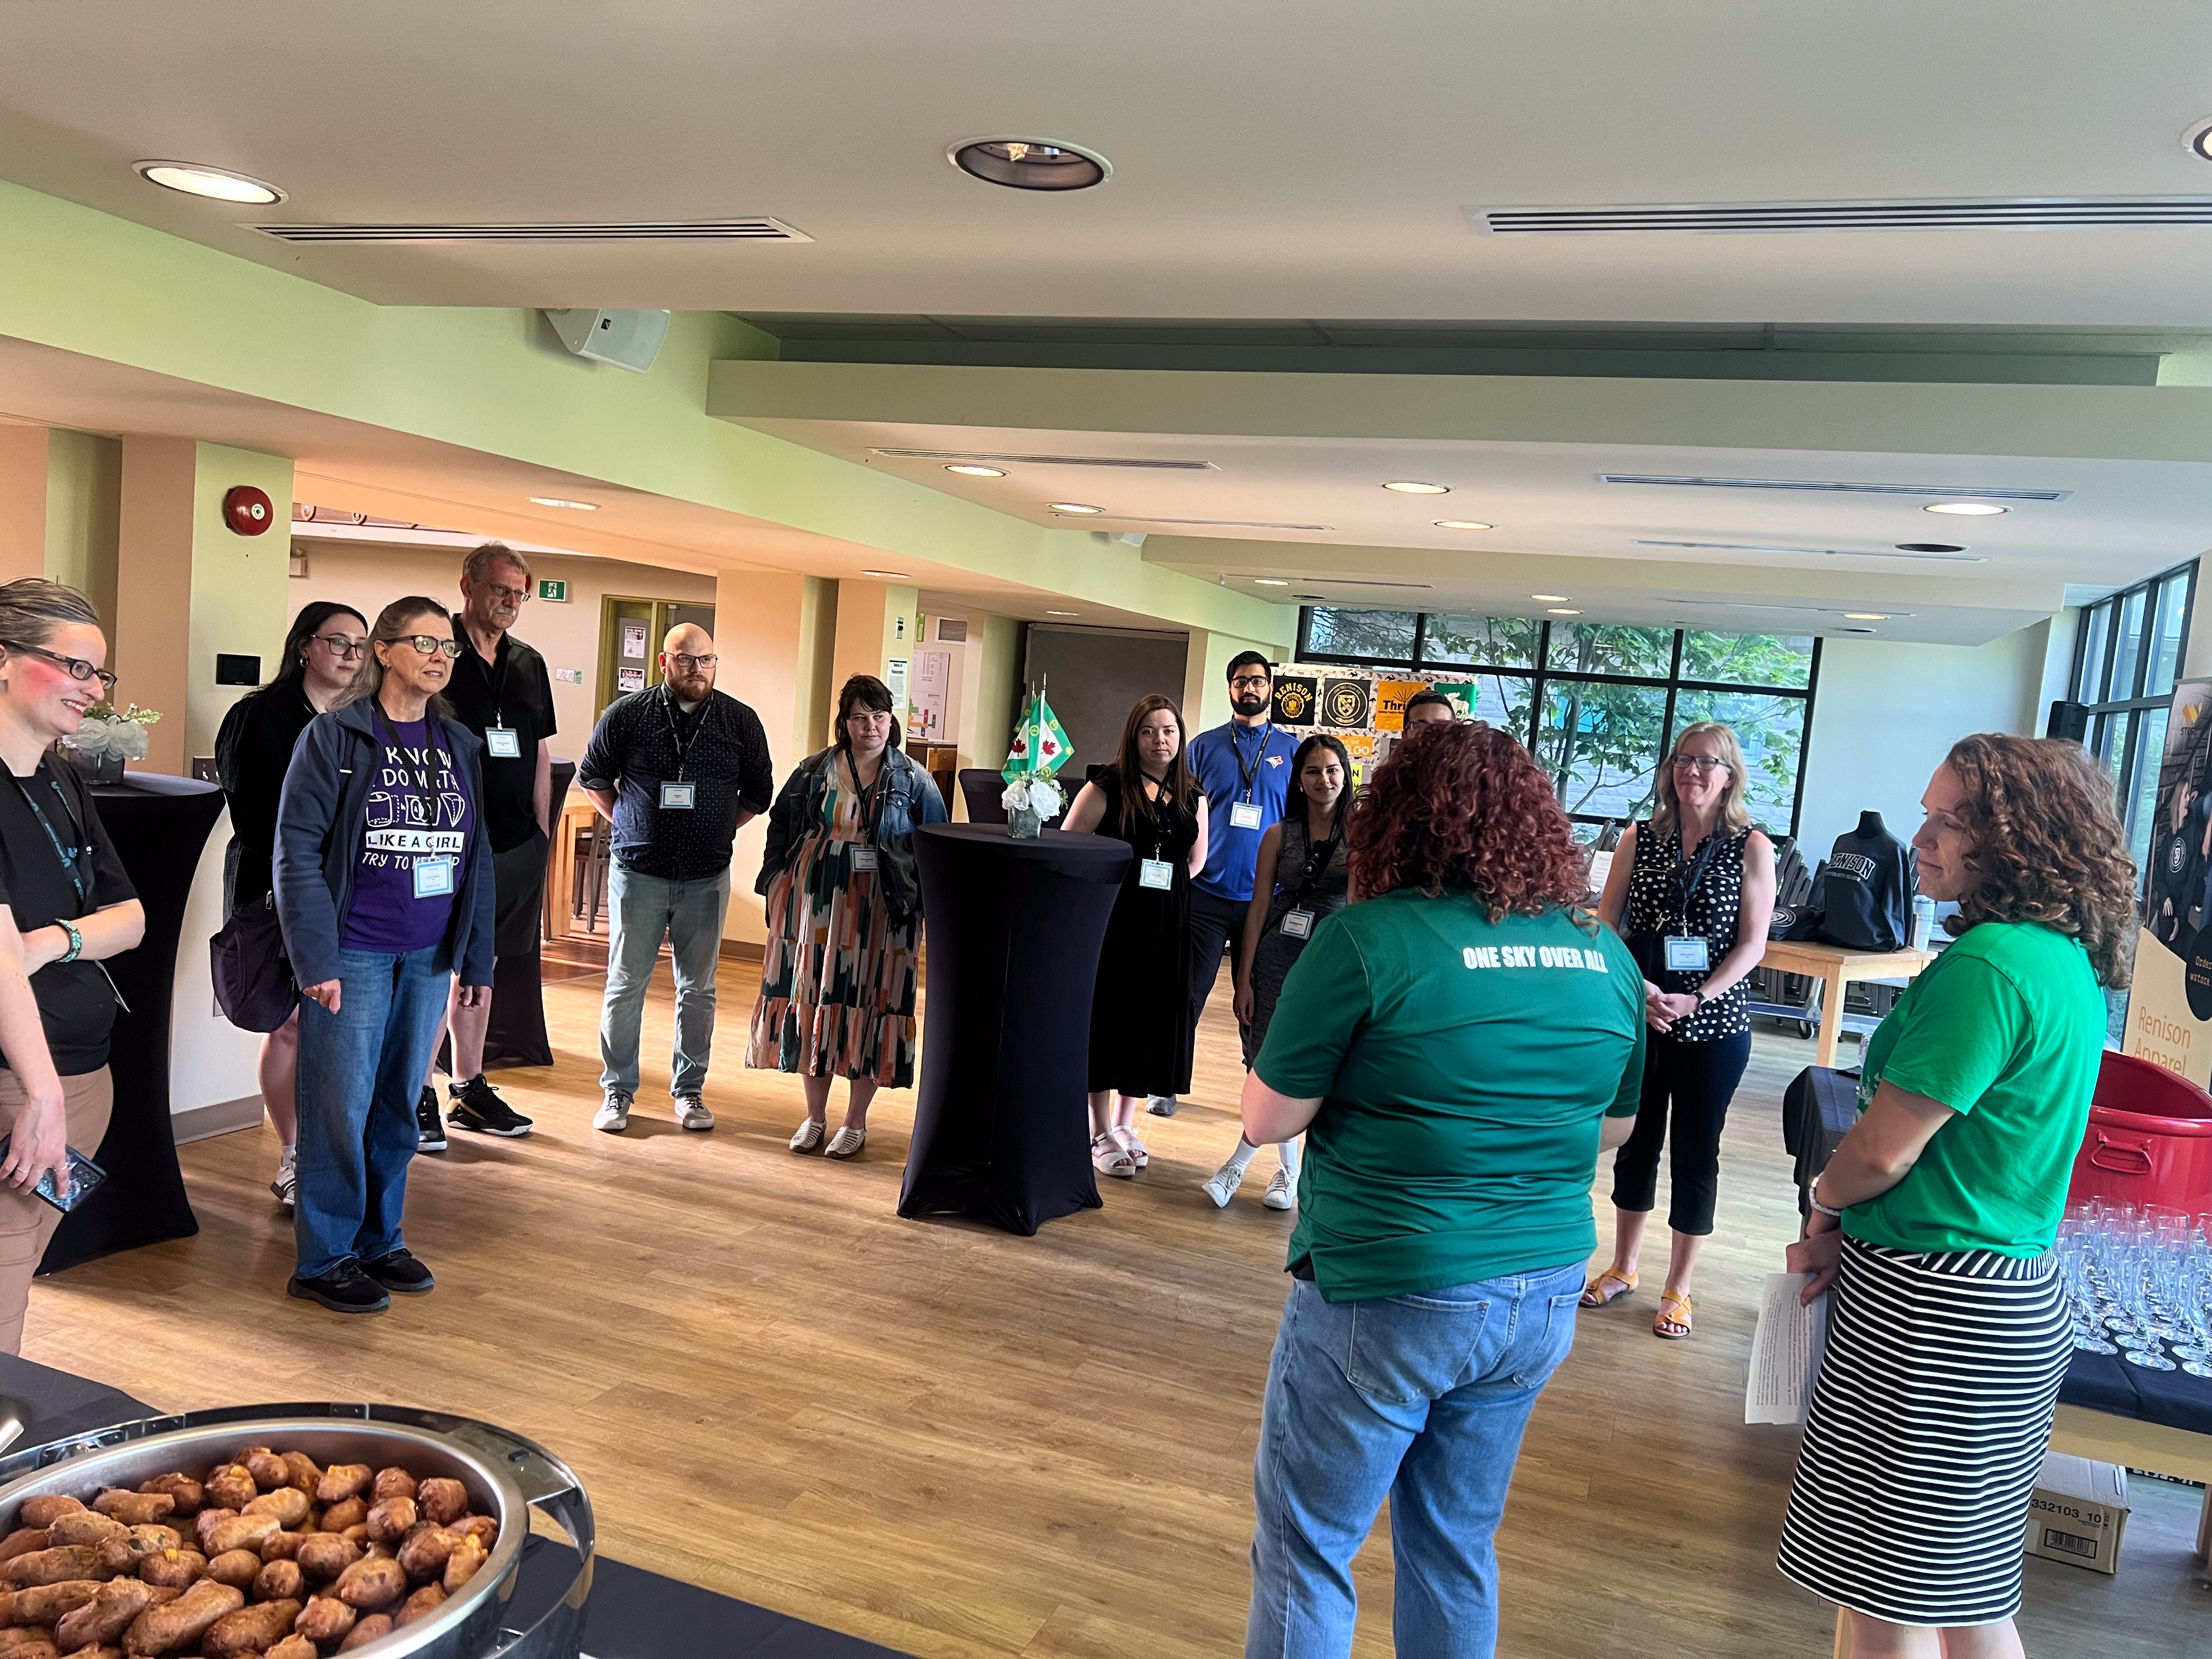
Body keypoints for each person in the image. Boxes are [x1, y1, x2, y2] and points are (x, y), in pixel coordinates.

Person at [1237, 721, 1644, 1658]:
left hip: (1390, 1281)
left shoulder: (1364, 939)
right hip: (1541, 1289)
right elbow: (1614, 1128)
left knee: (1309, 1548)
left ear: (1397, 819)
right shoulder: (1603, 955)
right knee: (1455, 1544)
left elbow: (1265, 1118)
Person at [1777, 734, 2135, 1657]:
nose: (1921, 835)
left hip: (1931, 1304)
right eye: (1927, 812)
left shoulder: (1983, 967)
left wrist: (1822, 1198)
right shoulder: (2058, 960)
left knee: (1883, 1595)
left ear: (2017, 835)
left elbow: (1883, 1152)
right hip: (2002, 1295)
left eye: (1948, 817)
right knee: (1964, 1590)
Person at [275, 596, 496, 1313]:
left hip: (428, 956)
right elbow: (296, 857)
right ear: (383, 650)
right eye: (425, 642)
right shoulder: (335, 739)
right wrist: (316, 963)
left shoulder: (458, 743)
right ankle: (324, 1257)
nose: (440, 655)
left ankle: (379, 1240)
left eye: (448, 646)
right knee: (338, 1107)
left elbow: (477, 857)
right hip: (354, 954)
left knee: (400, 1105)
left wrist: (478, 959)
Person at [1582, 721, 1776, 1340]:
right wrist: (1637, 988)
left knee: (1697, 1153)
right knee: (1636, 1143)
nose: (1693, 771)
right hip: (1640, 1016)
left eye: (1708, 763)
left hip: (1714, 1024)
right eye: (1684, 760)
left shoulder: (1752, 846)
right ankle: (1624, 1267)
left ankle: (1680, 1287)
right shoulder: (1641, 838)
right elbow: (1607, 922)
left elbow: (1752, 946)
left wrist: (1697, 996)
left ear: (1729, 777)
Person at [0, 579, 146, 1354]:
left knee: (16, 1282)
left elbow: (132, 919)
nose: (93, 691)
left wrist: (50, 941)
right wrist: (42, 1093)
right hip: (24, 1091)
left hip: (82, 1081)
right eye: (75, 669)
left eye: (100, 675)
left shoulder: (61, 779)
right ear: (4, 662)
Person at [579, 623, 775, 1133]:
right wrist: (626, 817)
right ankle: (617, 1092)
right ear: (664, 663)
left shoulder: (739, 721)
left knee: (699, 989)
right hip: (638, 872)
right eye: (686, 660)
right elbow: (593, 776)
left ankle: (690, 1093)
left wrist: (712, 827)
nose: (697, 669)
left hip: (706, 876)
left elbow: (758, 793)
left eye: (706, 660)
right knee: (626, 986)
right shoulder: (627, 715)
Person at [749, 674, 946, 1158]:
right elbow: (780, 826)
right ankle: (815, 1118)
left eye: (879, 716)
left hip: (885, 908)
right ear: (845, 722)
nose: (871, 726)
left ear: (891, 720)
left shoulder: (914, 779)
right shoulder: (814, 770)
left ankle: (855, 1122)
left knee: (874, 1004)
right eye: (860, 717)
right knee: (814, 998)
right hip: (815, 906)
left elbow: (937, 843)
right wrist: (776, 878)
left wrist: (928, 908)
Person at [214, 600, 368, 1209]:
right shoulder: (260, 716)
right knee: (289, 1023)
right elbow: (254, 818)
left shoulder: (364, 719)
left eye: (360, 647)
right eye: (338, 643)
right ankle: (294, 1155)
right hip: (276, 889)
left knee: (336, 1027)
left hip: (351, 895)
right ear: (305, 646)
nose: (351, 657)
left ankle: (335, 1149)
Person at [422, 541, 554, 1144]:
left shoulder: (529, 663)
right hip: (448, 845)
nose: (510, 601)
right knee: (431, 969)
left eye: (519, 593)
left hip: (514, 846)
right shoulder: (436, 655)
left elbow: (540, 751)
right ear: (468, 586)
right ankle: (416, 1090)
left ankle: (468, 1088)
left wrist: (543, 834)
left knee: (482, 971)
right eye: (501, 589)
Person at [1204, 732, 1353, 1211]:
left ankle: (1261, 1167)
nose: (1323, 779)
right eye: (1312, 771)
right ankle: (1285, 1171)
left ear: (1346, 774)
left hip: (1330, 960)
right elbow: (1257, 907)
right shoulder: (1278, 833)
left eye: (1332, 769)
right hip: (1275, 957)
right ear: (1299, 779)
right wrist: (1243, 976)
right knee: (1266, 1060)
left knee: (1312, 1063)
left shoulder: (1361, 835)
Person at [1063, 696, 1209, 1176]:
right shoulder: (1107, 785)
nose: (1160, 740)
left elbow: (1195, 860)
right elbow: (1071, 844)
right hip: (1116, 921)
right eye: (1149, 731)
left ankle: (1126, 1124)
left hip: (1169, 922)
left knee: (1150, 1021)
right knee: (1109, 1020)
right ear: (1133, 736)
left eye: (1169, 731)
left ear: (1180, 738)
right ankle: (1097, 1129)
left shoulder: (1193, 791)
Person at [1153, 651, 1297, 1117]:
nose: (1249, 689)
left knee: (1259, 1004)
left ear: (1271, 687)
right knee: (1187, 993)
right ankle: (1165, 1082)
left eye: (1257, 681)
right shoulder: (1202, 748)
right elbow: (1177, 811)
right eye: (1240, 682)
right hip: (1208, 895)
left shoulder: (1293, 751)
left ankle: (1261, 1095)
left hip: (1266, 901)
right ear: (1230, 688)